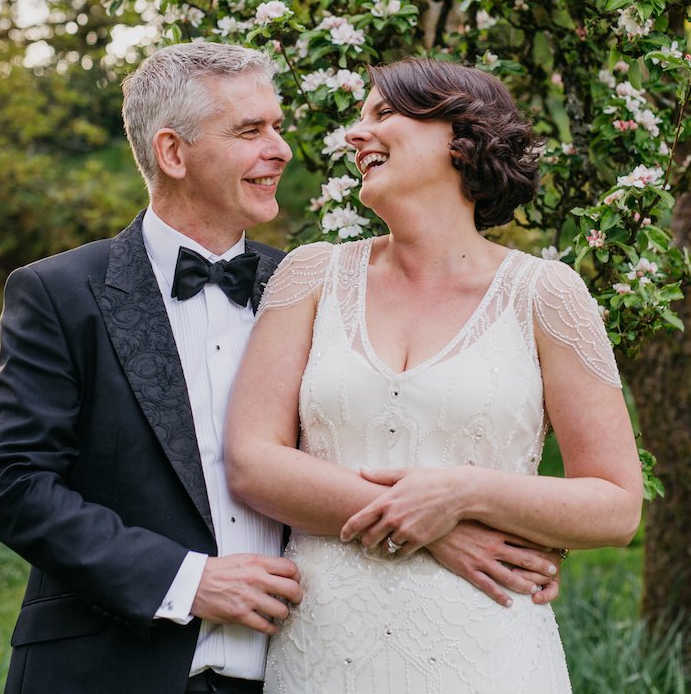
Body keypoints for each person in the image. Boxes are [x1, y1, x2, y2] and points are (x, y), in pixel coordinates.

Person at [0, 43, 564, 694]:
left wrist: (435, 528)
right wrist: (187, 581)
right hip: (111, 667)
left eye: (278, 127)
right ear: (173, 153)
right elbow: (15, 486)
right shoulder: (61, 293)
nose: (281, 150)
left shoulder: (317, 287)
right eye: (250, 131)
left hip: (297, 666)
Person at [225, 58, 644, 693]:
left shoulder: (546, 294)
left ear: (462, 138)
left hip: (487, 651)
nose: (354, 134)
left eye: (384, 113)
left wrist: (463, 494)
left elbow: (615, 505)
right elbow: (253, 462)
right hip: (325, 652)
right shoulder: (311, 275)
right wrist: (433, 529)